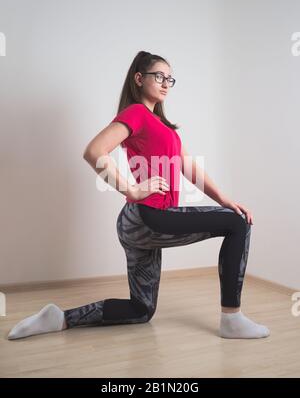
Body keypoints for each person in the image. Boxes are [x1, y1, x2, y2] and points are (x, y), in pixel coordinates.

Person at [8, 51, 270, 340]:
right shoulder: (136, 113)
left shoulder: (164, 127)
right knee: (237, 223)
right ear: (139, 78)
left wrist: (224, 200)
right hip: (149, 217)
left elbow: (188, 167)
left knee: (141, 309)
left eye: (170, 78)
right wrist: (132, 189)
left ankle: (59, 318)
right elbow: (94, 151)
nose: (166, 83)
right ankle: (232, 319)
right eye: (159, 76)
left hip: (138, 222)